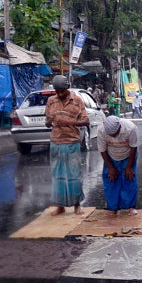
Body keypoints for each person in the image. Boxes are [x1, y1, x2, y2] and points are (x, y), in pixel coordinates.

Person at [44, 75, 90, 216]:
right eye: (57, 91)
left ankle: (77, 205)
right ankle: (60, 206)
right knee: (57, 176)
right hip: (56, 142)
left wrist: (71, 123)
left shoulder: (77, 100)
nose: (59, 94)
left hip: (72, 142)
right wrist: (49, 120)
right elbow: (47, 123)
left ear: (67, 88)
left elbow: (86, 120)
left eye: (62, 91)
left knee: (74, 175)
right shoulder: (51, 101)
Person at [97, 116, 139, 216]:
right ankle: (112, 207)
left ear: (120, 127)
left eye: (115, 134)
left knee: (129, 178)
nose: (113, 136)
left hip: (128, 154)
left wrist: (129, 167)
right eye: (111, 135)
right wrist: (110, 168)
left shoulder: (131, 128)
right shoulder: (101, 130)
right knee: (111, 179)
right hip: (111, 155)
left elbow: (133, 148)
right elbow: (102, 150)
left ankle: (130, 207)